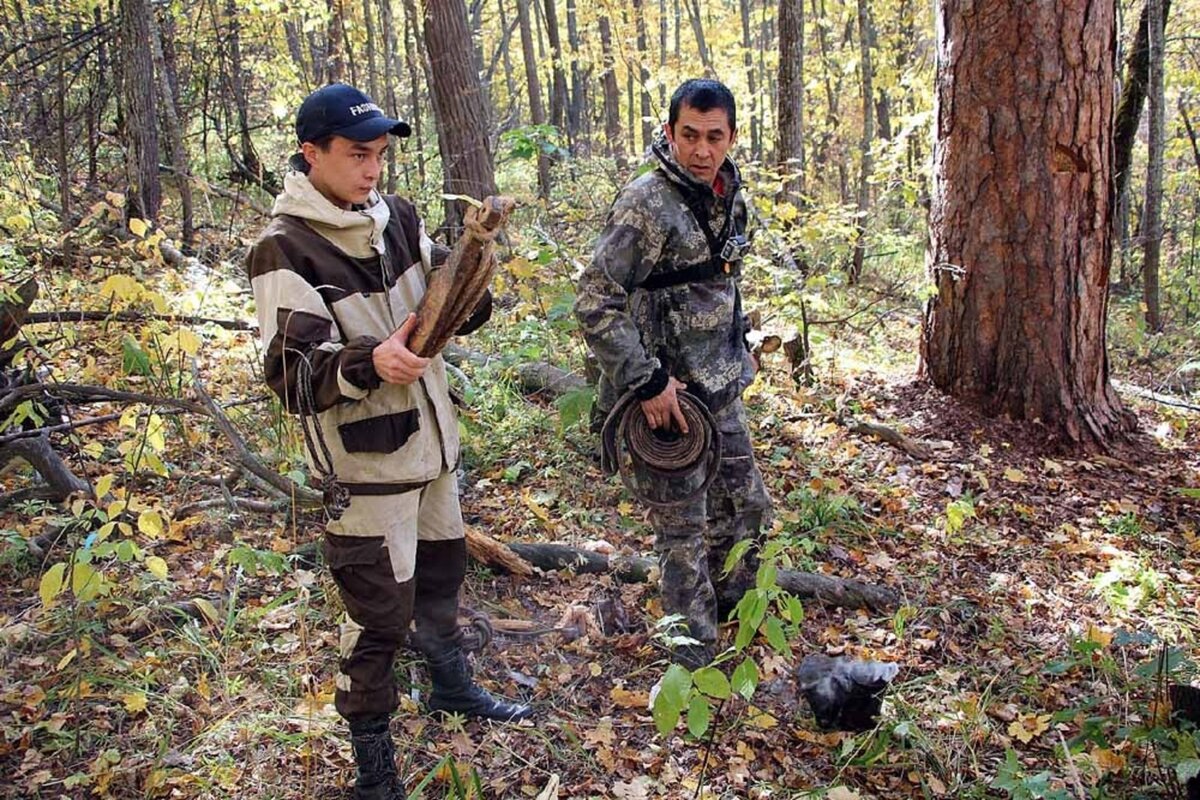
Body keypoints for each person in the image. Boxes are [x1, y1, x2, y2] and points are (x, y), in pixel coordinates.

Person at [246, 83, 531, 800]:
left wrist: (472, 282)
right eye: (355, 155)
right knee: (376, 617)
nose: (372, 170)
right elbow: (290, 373)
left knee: (440, 578)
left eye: (379, 154)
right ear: (311, 155)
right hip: (367, 467)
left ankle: (452, 689)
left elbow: (448, 290)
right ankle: (374, 771)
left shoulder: (395, 217)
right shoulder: (286, 249)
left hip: (432, 449)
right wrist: (367, 363)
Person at [574, 78, 772, 670]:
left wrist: (741, 352)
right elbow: (594, 297)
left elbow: (722, 285)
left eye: (714, 137)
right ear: (670, 133)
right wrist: (648, 382)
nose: (701, 150)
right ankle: (693, 668)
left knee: (747, 512)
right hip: (663, 401)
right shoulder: (646, 203)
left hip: (720, 390)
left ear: (732, 137)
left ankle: (739, 631)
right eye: (689, 135)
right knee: (683, 537)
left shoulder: (731, 198)